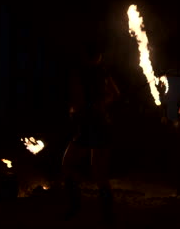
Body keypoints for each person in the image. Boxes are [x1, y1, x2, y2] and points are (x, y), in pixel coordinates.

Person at [61, 38, 120, 222]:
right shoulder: (103, 71)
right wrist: (102, 104)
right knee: (99, 173)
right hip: (102, 124)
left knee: (67, 163)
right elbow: (115, 94)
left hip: (88, 125)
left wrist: (75, 110)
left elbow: (77, 102)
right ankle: (107, 216)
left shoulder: (80, 73)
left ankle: (75, 207)